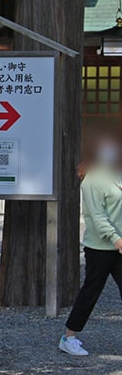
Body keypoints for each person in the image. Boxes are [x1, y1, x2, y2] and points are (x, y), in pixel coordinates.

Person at [61, 132, 122, 356]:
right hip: (100, 248)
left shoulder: (117, 175)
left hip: (119, 246)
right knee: (91, 291)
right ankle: (69, 336)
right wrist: (116, 239)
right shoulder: (92, 179)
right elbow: (97, 216)